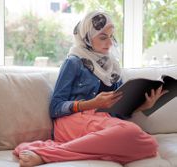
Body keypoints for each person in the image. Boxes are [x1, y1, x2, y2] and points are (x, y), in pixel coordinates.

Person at [13, 11, 168, 167]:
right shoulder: (74, 62)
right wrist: (92, 104)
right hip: (72, 121)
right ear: (87, 37)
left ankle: (75, 150)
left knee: (149, 144)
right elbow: (55, 107)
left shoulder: (113, 67)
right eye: (102, 37)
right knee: (134, 134)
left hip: (101, 121)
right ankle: (46, 154)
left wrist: (142, 106)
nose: (109, 43)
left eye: (111, 36)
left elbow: (115, 111)